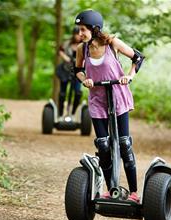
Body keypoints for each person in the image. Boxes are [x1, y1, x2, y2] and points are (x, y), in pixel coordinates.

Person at [74, 10, 144, 203]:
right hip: (97, 99)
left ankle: (133, 193)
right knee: (103, 145)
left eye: (82, 30)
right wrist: (85, 79)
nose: (80, 34)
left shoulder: (112, 42)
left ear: (94, 28)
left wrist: (129, 76)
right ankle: (111, 189)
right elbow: (77, 70)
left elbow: (138, 58)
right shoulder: (82, 49)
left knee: (124, 143)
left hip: (118, 96)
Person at [56, 27, 83, 119]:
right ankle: (60, 114)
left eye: (79, 34)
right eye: (76, 34)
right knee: (62, 93)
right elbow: (60, 51)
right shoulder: (67, 43)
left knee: (78, 93)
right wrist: (66, 58)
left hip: (78, 72)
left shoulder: (84, 44)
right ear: (73, 34)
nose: (78, 36)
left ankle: (72, 113)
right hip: (65, 70)